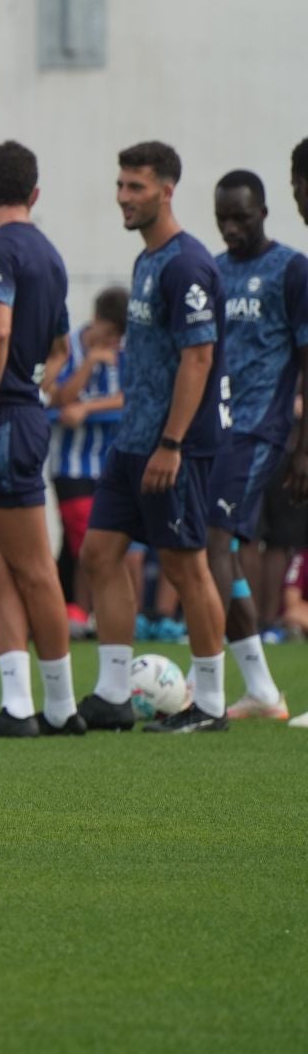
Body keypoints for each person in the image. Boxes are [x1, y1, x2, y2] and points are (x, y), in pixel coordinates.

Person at [77, 142, 230, 733]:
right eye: (120, 185)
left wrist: (171, 443)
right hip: (131, 442)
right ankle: (114, 695)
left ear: (166, 191)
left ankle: (211, 705)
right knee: (99, 554)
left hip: (174, 446)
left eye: (136, 187)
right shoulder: (147, 261)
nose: (123, 197)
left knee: (185, 567)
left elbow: (198, 358)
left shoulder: (187, 264)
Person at [0, 141, 81, 738]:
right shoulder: (49, 255)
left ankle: (60, 707)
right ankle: (20, 706)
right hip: (19, 417)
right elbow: (60, 345)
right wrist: (37, 388)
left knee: (32, 568)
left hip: (1, 422)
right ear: (34, 193)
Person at [205, 169, 308, 720]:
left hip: (261, 428)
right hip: (216, 429)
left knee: (213, 543)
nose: (231, 226)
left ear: (264, 211)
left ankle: (207, 692)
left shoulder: (291, 270)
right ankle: (263, 691)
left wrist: (303, 448)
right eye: (223, 216)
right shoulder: (215, 272)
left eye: (241, 216)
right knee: (221, 553)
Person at [48, 287, 128, 628]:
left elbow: (132, 396)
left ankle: (74, 612)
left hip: (108, 463)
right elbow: (56, 397)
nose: (113, 342)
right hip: (69, 463)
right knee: (85, 535)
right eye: (109, 334)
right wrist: (90, 363)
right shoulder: (67, 347)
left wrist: (88, 407)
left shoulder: (127, 352)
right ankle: (82, 613)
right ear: (96, 321)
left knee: (83, 540)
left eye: (118, 336)